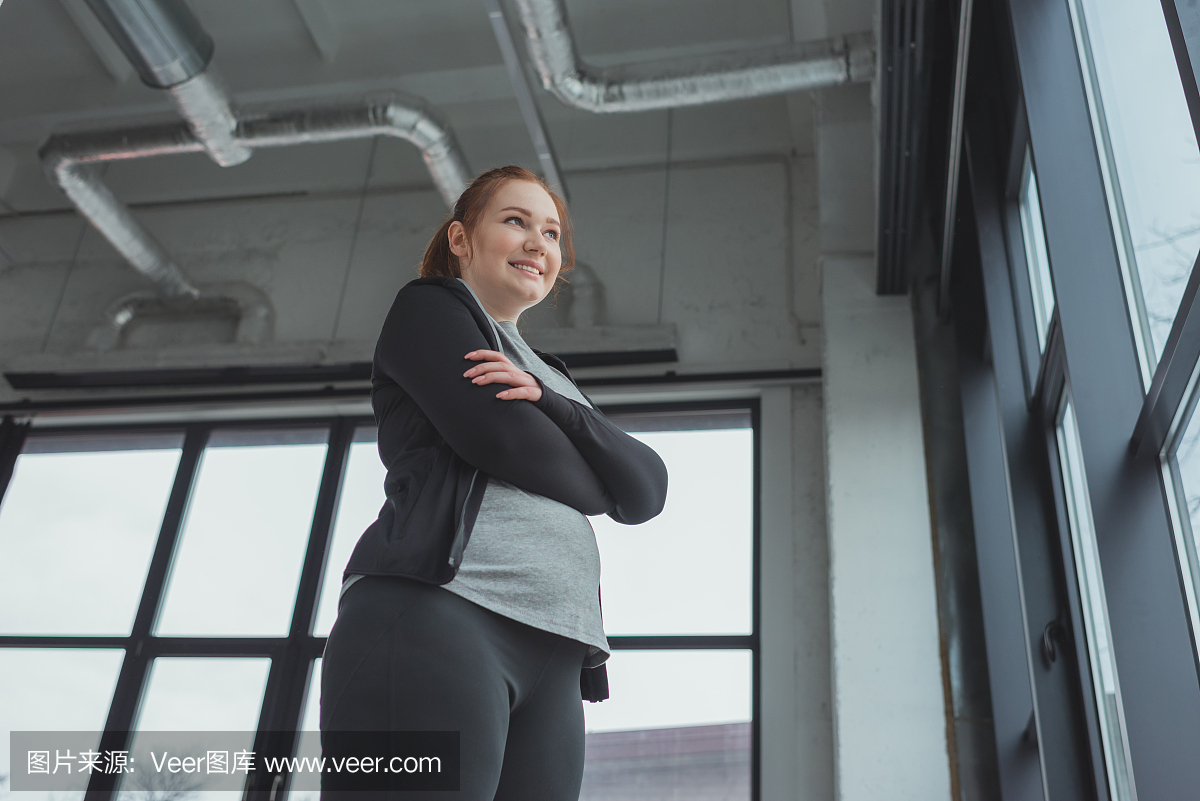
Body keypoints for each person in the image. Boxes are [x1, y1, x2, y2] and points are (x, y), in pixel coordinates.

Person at [319, 166, 669, 801]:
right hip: (439, 610)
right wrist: (593, 473)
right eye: (516, 222)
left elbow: (645, 489)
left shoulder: (549, 373)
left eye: (552, 232)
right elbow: (503, 441)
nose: (539, 243)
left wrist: (556, 407)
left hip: (558, 649)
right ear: (461, 239)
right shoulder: (428, 308)